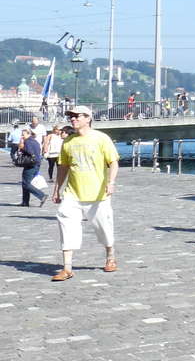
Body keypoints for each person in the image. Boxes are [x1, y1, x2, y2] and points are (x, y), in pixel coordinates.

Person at [49, 105, 119, 282]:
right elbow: (63, 167)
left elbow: (113, 162)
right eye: (71, 116)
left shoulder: (101, 138)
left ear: (88, 118)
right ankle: (67, 268)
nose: (73, 119)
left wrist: (111, 182)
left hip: (97, 194)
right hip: (73, 193)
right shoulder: (68, 141)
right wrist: (57, 189)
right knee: (65, 222)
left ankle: (110, 256)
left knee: (104, 228)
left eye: (77, 116)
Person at [17, 127, 46, 207]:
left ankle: (42, 195)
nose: (22, 136)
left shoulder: (27, 141)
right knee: (26, 183)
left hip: (30, 164)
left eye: (23, 135)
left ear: (28, 134)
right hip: (36, 163)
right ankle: (25, 202)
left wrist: (22, 147)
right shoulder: (35, 141)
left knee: (26, 183)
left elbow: (29, 151)